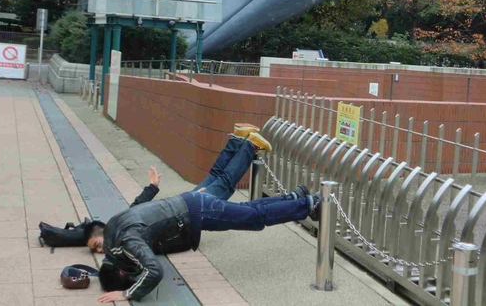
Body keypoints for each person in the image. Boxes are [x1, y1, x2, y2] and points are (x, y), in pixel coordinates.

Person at [86, 126, 321, 303]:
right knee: (246, 206)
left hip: (195, 211)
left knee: (254, 215)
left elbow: (154, 271)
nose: (133, 273)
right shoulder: (113, 228)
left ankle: (308, 205)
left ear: (121, 270)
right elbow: (135, 210)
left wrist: (127, 293)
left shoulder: (126, 244)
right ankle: (296, 199)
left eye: (129, 275)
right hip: (187, 204)